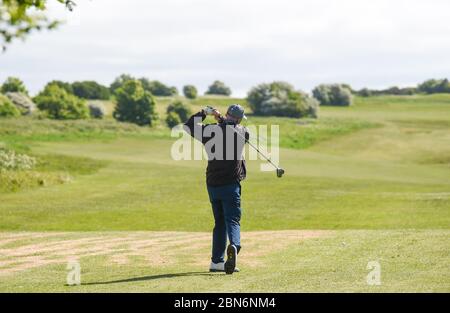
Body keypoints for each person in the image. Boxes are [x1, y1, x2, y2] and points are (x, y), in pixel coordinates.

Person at [184, 104, 249, 274]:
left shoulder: (211, 131)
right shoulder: (242, 132)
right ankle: (234, 246)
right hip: (231, 185)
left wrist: (205, 113)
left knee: (219, 222)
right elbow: (232, 128)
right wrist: (223, 120)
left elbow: (188, 126)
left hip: (212, 184)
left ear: (227, 114)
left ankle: (217, 262)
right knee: (232, 220)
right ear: (240, 119)